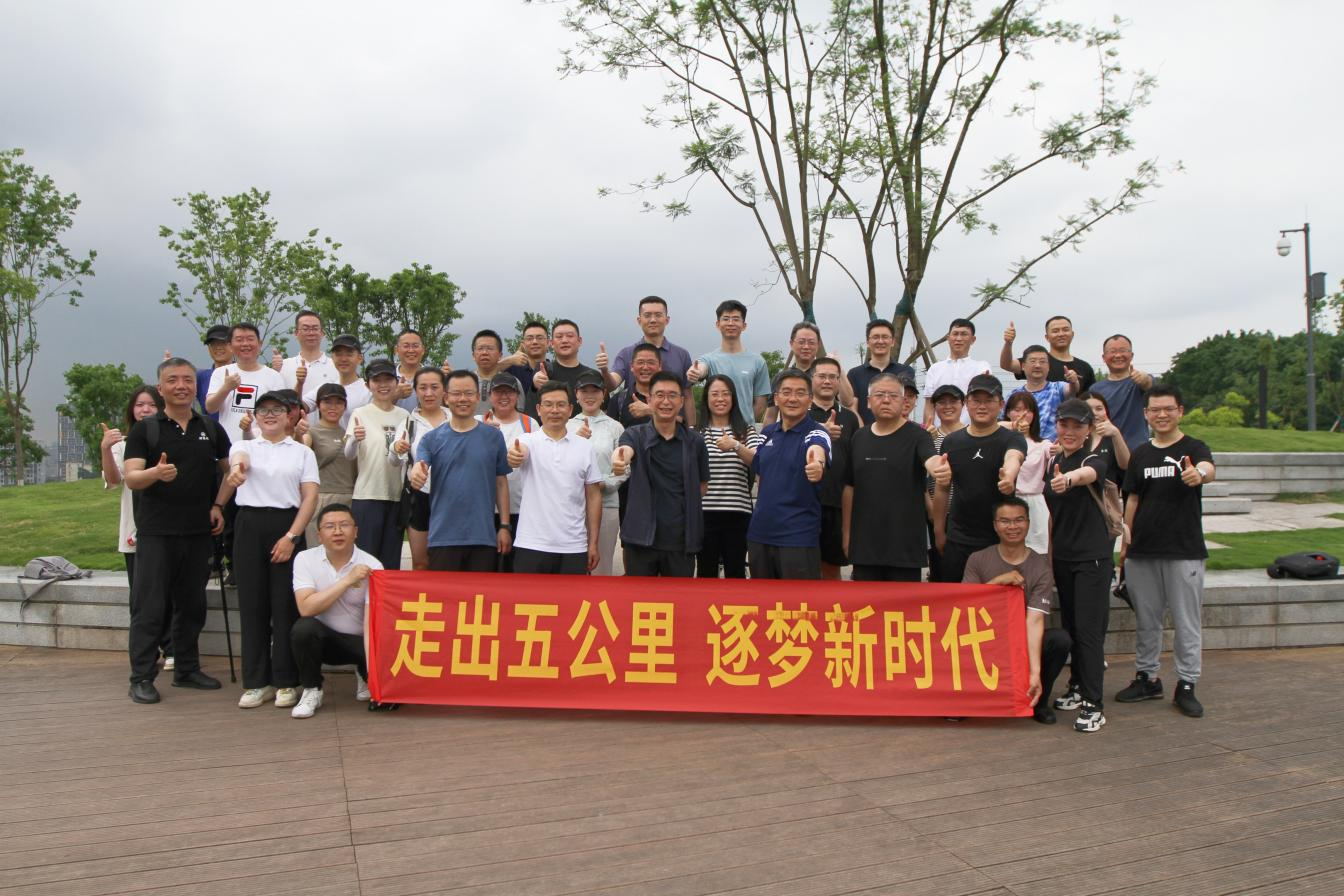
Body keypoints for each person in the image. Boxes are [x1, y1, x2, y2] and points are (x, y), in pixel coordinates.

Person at [122, 357, 230, 704]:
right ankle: (141, 676)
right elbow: (131, 477)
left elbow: (229, 471)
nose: (181, 386)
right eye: (173, 380)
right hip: (157, 532)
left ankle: (186, 669)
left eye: (187, 379)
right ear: (160, 387)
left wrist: (218, 505)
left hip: (198, 532)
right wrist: (155, 473)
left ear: (195, 386)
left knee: (192, 605)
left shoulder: (210, 428)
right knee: (150, 606)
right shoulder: (146, 430)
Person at [216, 390, 319, 709]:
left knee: (285, 605)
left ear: (289, 416)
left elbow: (310, 497)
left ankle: (286, 680)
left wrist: (291, 537)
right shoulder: (246, 446)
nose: (270, 415)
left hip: (287, 524)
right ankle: (256, 682)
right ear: (256, 417)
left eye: (277, 410)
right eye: (263, 410)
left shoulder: (302, 452)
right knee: (253, 604)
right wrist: (236, 471)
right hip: (250, 525)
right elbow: (239, 462)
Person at [1118, 384, 1216, 719]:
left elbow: (1208, 469)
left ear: (1180, 411)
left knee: (1186, 621)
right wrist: (1126, 544)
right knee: (1147, 620)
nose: (1162, 415)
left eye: (1168, 409)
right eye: (1155, 410)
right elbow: (1132, 498)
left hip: (1183, 550)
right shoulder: (1141, 454)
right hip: (1143, 551)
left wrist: (1198, 474)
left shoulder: (1193, 448)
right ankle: (1147, 678)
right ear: (1146, 414)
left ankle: (1187, 683)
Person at [963, 495, 1071, 725]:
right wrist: (998, 582)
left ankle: (1038, 699)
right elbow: (966, 607)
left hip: (1021, 637)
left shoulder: (1040, 565)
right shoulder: (978, 559)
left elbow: (1035, 620)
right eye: (1005, 521)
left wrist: (1035, 672)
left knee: (1059, 640)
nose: (1012, 526)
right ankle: (968, 698)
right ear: (995, 525)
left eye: (1019, 520)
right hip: (985, 637)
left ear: (1028, 523)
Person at [1042, 398, 1113, 733]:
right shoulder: (1055, 460)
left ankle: (1093, 704)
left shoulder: (1093, 457)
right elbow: (1054, 516)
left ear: (1088, 430)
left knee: (1088, 631)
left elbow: (1090, 474)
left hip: (1092, 558)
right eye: (1064, 424)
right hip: (1064, 557)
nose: (1069, 431)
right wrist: (1049, 555)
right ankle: (1077, 685)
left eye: (1077, 426)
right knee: (1071, 627)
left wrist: (1069, 480)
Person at [843, 372, 949, 581]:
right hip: (865, 545)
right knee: (865, 600)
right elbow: (849, 487)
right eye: (879, 395)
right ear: (868, 401)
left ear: (903, 402)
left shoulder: (918, 436)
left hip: (905, 546)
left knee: (903, 602)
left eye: (893, 396)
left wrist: (939, 468)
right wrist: (846, 533)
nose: (886, 400)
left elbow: (931, 459)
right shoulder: (859, 437)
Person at [411, 370, 513, 572]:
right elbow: (420, 465)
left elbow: (501, 483)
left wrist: (504, 526)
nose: (463, 399)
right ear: (446, 397)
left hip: (483, 536)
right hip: (443, 537)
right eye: (456, 394)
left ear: (478, 396)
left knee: (481, 592)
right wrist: (417, 473)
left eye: (468, 393)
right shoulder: (431, 439)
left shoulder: (493, 437)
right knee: (444, 592)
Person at [611, 371, 710, 576]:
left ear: (681, 401)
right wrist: (619, 459)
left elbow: (702, 487)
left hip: (681, 541)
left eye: (672, 395)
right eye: (660, 395)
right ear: (649, 399)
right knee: (638, 596)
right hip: (640, 539)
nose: (666, 401)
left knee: (679, 596)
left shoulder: (696, 442)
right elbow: (625, 450)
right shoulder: (635, 435)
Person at [289, 503, 382, 719]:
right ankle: (312, 689)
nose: (338, 532)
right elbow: (306, 608)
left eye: (344, 525)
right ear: (319, 535)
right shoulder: (305, 559)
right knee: (303, 629)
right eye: (330, 526)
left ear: (355, 531)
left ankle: (364, 673)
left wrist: (373, 670)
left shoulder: (373, 565)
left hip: (360, 642)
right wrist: (347, 581)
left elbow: (372, 623)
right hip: (325, 641)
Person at [931, 374, 1025, 585]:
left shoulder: (1011, 438)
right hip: (958, 537)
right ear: (966, 403)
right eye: (976, 400)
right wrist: (939, 531)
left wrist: (1009, 476)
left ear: (1001, 404)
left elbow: (1014, 457)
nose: (982, 406)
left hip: (999, 539)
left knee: (995, 599)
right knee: (955, 598)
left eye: (989, 400)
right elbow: (942, 488)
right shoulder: (952, 442)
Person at [101, 386, 170, 665]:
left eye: (151, 405)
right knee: (141, 594)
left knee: (170, 590)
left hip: (168, 526)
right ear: (132, 410)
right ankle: (146, 651)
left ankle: (171, 646)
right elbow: (113, 480)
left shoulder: (169, 438)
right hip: (135, 528)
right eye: (139, 405)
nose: (145, 410)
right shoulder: (123, 445)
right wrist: (106, 448)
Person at [507, 382, 604, 574]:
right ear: (538, 409)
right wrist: (515, 455)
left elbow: (594, 497)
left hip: (574, 546)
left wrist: (593, 543)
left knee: (573, 595)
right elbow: (518, 452)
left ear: (570, 409)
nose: (554, 410)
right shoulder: (527, 440)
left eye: (560, 405)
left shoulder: (585, 447)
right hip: (531, 544)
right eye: (548, 404)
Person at [745, 368, 831, 580]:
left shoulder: (816, 431)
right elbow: (758, 463)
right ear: (776, 398)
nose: (792, 398)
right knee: (761, 600)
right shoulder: (768, 433)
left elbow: (817, 449)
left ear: (810, 400)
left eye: (800, 393)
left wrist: (817, 464)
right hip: (759, 535)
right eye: (786, 392)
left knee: (799, 601)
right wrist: (735, 446)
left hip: (797, 539)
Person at [342, 359, 411, 571]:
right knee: (366, 561)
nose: (383, 385)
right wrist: (355, 440)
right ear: (368, 385)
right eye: (376, 380)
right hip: (367, 495)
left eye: (388, 380)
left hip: (395, 496)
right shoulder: (360, 413)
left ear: (396, 382)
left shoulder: (405, 416)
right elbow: (349, 455)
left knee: (390, 562)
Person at [695, 375, 764, 578]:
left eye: (726, 394)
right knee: (706, 572)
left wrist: (736, 445)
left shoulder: (746, 431)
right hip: (703, 513)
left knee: (736, 572)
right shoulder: (697, 433)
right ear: (706, 398)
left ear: (733, 398)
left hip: (738, 513)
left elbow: (758, 461)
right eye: (715, 394)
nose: (720, 399)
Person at [566, 370, 628, 576]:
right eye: (584, 391)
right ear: (576, 394)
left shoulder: (615, 427)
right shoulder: (566, 425)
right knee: (571, 567)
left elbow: (624, 468)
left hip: (606, 504)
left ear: (604, 394)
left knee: (601, 566)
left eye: (595, 391)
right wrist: (574, 441)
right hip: (570, 507)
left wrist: (603, 484)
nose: (589, 396)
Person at [476, 372, 539, 569]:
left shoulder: (530, 424)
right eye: (498, 392)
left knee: (517, 567)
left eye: (509, 392)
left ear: (517, 395)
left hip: (521, 508)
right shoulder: (478, 422)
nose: (504, 397)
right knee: (487, 567)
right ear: (490, 395)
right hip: (485, 509)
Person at [390, 368, 450, 571]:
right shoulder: (409, 423)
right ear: (415, 391)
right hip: (420, 497)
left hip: (453, 497)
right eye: (423, 388)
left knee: (449, 560)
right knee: (421, 561)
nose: (429, 393)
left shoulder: (456, 419)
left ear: (444, 390)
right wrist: (397, 448)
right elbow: (394, 461)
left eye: (434, 387)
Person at [807, 357, 862, 579]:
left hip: (838, 503)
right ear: (812, 379)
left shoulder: (850, 418)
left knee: (832, 570)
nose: (827, 381)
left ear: (839, 381)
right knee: (802, 569)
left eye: (833, 377)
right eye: (822, 376)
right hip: (805, 502)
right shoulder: (799, 414)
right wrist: (821, 430)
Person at [205, 322, 286, 447]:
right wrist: (226, 388)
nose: (245, 344)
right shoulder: (221, 373)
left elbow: (282, 414)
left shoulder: (274, 376)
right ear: (230, 345)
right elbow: (210, 408)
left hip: (264, 446)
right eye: (239, 340)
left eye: (250, 339)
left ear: (259, 344)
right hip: (228, 446)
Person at [687, 300, 771, 421]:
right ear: (718, 324)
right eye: (726, 319)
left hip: (745, 431)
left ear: (744, 325)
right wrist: (695, 372)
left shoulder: (758, 361)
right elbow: (700, 368)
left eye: (736, 319)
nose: (730, 323)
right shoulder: (709, 359)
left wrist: (744, 424)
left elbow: (761, 402)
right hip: (715, 430)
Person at [301, 383, 357, 546]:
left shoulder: (349, 435)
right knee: (318, 551)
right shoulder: (312, 432)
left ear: (345, 406)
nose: (333, 407)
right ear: (318, 405)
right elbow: (301, 453)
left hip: (348, 499)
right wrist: (298, 434)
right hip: (321, 498)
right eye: (327, 402)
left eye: (338, 402)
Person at [606, 295, 694, 394]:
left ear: (667, 320)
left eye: (658, 315)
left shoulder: (682, 355)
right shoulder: (626, 354)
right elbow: (611, 385)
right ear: (639, 320)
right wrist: (604, 370)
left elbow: (687, 394)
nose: (653, 320)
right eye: (647, 315)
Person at [924, 383, 966, 581]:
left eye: (953, 401)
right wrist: (931, 508)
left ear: (963, 404)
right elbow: (920, 478)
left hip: (965, 515)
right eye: (942, 402)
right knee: (940, 571)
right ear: (934, 407)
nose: (948, 406)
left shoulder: (972, 434)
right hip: (937, 513)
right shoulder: (928, 438)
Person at [1003, 391, 1053, 555]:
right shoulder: (1000, 440)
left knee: (1038, 552)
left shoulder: (1043, 444)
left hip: (1036, 504)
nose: (1022, 414)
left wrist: (1058, 450)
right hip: (1008, 502)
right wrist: (1012, 426)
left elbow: (1055, 453)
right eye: (1017, 410)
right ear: (1008, 412)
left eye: (1028, 410)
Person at [1088, 334, 1154, 451]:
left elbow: (1148, 383)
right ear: (1104, 357)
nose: (1118, 355)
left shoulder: (1138, 383)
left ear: (1131, 355)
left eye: (1123, 351)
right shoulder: (1095, 389)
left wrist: (1144, 378)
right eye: (1112, 351)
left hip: (1137, 451)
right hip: (1106, 453)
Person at [1001, 315, 1096, 394]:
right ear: (1047, 337)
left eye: (1065, 330)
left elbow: (1091, 398)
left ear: (1072, 334)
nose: (1061, 334)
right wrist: (1008, 343)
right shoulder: (1039, 361)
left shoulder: (1085, 367)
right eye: (1055, 331)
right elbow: (1007, 365)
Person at [922, 318, 990, 425]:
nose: (958, 338)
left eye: (964, 334)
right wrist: (928, 430)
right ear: (948, 338)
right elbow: (929, 405)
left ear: (973, 339)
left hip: (971, 431)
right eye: (955, 334)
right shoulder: (935, 369)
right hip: (939, 432)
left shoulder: (981, 367)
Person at [847, 319, 916, 425]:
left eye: (885, 337)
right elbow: (852, 407)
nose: (880, 341)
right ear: (868, 342)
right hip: (864, 432)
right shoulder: (854, 374)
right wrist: (863, 431)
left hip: (898, 430)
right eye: (875, 337)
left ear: (892, 341)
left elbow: (907, 403)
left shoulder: (906, 371)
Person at [529, 319, 601, 418]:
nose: (564, 340)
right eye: (559, 337)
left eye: (570, 336)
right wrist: (536, 384)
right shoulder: (544, 370)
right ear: (551, 343)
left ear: (579, 341)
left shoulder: (592, 375)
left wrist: (605, 370)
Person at [1008, 344, 1072, 441]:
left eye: (1042, 361)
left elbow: (1072, 389)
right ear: (1023, 366)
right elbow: (999, 423)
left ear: (1048, 366)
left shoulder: (1058, 388)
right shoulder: (1014, 395)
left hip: (1052, 448)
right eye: (1033, 361)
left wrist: (1073, 381)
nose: (1037, 365)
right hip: (1019, 446)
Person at [276, 309, 338, 410]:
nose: (311, 333)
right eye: (305, 329)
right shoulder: (284, 366)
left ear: (322, 333)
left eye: (315, 328)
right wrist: (275, 371)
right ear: (296, 333)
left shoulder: (336, 366)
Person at [470, 329, 530, 414]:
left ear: (500, 355)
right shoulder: (466, 382)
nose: (484, 352)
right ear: (473, 355)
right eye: (480, 348)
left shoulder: (512, 382)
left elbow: (519, 414)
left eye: (490, 348)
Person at [1081, 391, 1131, 489]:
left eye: (1099, 409)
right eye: (1088, 409)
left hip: (1106, 495)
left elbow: (1126, 465)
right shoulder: (1075, 436)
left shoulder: (1113, 436)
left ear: (1106, 411)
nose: (1094, 413)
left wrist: (1116, 434)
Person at [608, 342, 661, 429]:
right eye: (640, 362)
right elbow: (611, 433)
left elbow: (680, 424)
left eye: (651, 362)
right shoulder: (618, 400)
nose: (645, 367)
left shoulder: (669, 397)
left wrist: (650, 411)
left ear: (660, 366)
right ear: (632, 366)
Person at [325, 335, 370, 428]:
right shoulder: (325, 389)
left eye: (349, 354)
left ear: (360, 358)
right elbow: (302, 405)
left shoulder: (368, 391)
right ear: (332, 358)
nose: (343, 359)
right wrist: (300, 383)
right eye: (338, 354)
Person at [505, 320, 549, 411]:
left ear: (548, 343)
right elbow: (488, 372)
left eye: (540, 338)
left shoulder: (556, 370)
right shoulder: (511, 371)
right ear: (523, 344)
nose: (535, 342)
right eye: (529, 338)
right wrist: (510, 360)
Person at [196, 324, 233, 420]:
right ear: (209, 349)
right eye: (213, 344)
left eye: (223, 343)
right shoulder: (201, 377)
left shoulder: (243, 374)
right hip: (210, 428)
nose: (218, 347)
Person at [393, 329, 428, 412]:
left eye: (415, 346)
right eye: (406, 346)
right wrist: (395, 396)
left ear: (423, 350)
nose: (411, 350)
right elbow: (376, 409)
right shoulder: (386, 377)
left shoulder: (432, 377)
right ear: (396, 350)